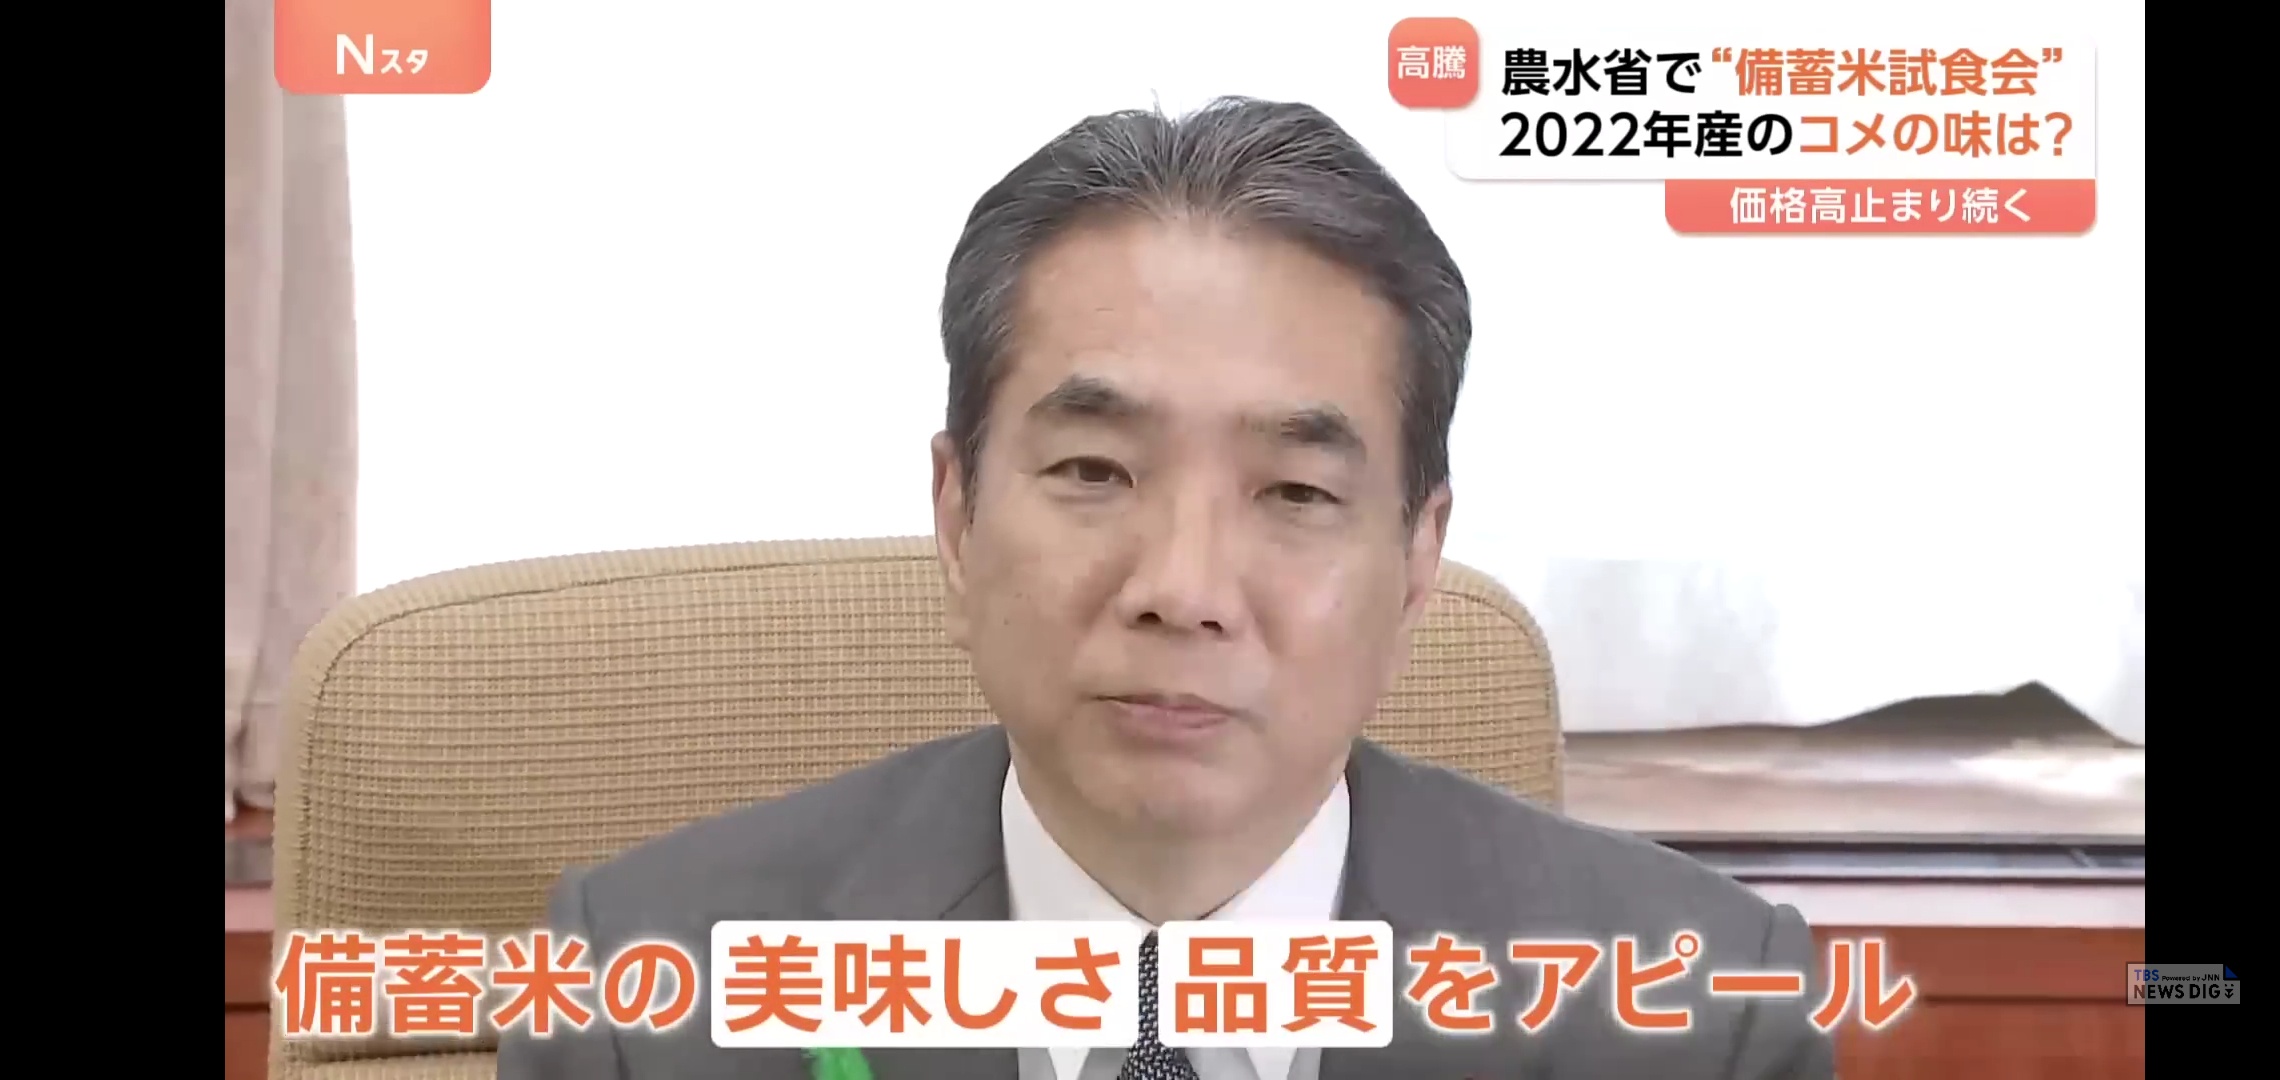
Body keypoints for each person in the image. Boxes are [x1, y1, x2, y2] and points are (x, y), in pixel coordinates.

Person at [498, 96, 1834, 1080]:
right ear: (956, 516)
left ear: (1419, 557)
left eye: (1295, 493)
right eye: (1094, 470)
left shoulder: (1703, 1016)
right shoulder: (645, 997)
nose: (1183, 589)